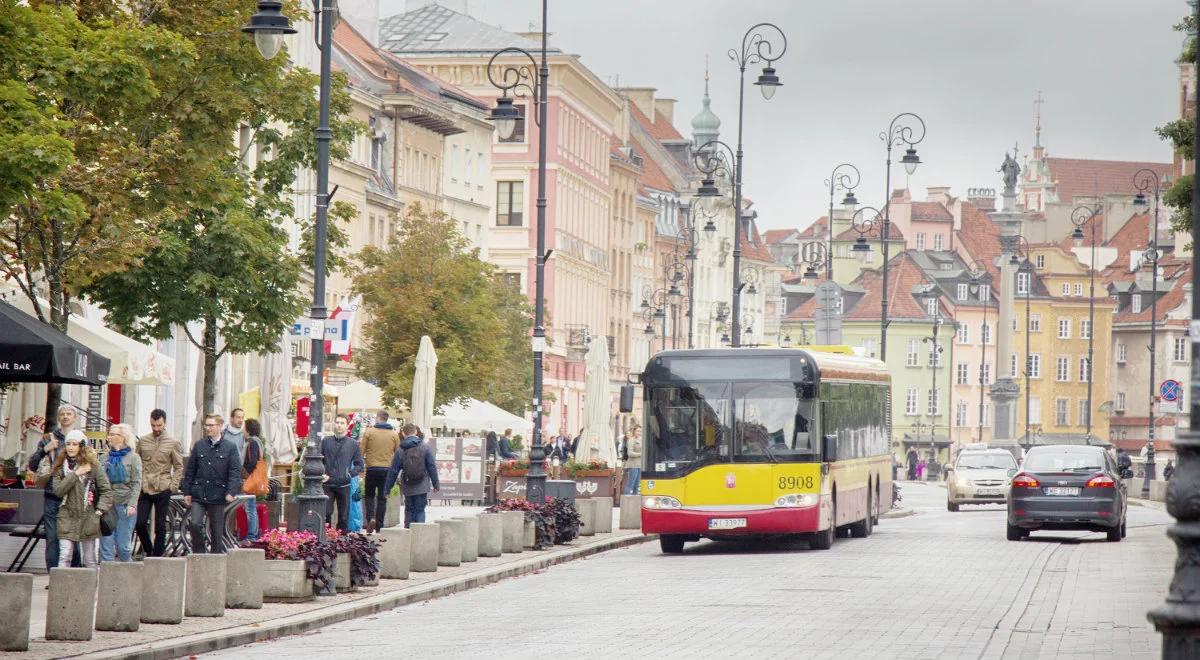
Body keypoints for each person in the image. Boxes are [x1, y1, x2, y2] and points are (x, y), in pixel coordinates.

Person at [45, 430, 112, 568]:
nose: (70, 447)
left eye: (74, 444)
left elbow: (106, 490)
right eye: (68, 444)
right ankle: (62, 587)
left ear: (81, 446)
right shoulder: (59, 466)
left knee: (90, 559)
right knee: (65, 555)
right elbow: (58, 491)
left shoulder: (93, 465)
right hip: (66, 515)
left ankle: (94, 588)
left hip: (88, 516)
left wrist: (100, 509)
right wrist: (76, 473)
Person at [27, 404, 78, 569]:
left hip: (73, 495)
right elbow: (33, 465)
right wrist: (45, 450)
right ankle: (54, 575)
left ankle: (75, 574)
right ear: (58, 417)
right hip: (52, 495)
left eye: (69, 414)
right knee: (52, 537)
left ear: (74, 418)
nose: (65, 416)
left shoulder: (80, 438)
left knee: (74, 536)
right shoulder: (47, 438)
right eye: (62, 414)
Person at [182, 414, 242, 553]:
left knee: (216, 531)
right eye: (206, 425)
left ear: (220, 426)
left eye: (211, 425)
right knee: (195, 523)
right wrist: (187, 491)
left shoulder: (230, 447)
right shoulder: (199, 445)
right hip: (199, 493)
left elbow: (234, 471)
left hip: (218, 494)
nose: (207, 428)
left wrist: (231, 491)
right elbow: (190, 470)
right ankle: (199, 553)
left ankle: (215, 558)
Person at [136, 409, 183, 558]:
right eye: (153, 425)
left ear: (165, 423)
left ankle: (157, 556)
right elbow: (137, 462)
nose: (156, 428)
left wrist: (173, 486)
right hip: (145, 486)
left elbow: (179, 466)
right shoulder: (143, 441)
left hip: (163, 486)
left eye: (159, 425)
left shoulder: (173, 442)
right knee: (140, 523)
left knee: (161, 525)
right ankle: (149, 550)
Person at [99, 424, 142, 562]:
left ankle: (128, 578)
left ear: (122, 437)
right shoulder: (104, 458)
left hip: (125, 505)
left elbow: (136, 483)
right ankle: (107, 580)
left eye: (112, 434)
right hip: (107, 506)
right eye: (109, 434)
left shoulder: (133, 457)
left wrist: (132, 504)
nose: (109, 437)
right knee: (106, 546)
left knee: (123, 547)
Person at [384, 424, 439, 528]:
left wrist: (387, 488)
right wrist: (436, 484)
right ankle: (419, 535)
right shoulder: (425, 447)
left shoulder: (401, 449)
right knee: (420, 510)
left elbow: (393, 471)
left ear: (403, 434)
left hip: (408, 484)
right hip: (422, 484)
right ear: (416, 432)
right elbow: (432, 466)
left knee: (409, 509)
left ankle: (408, 533)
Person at [321, 414, 364, 532]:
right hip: (327, 483)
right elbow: (319, 460)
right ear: (334, 424)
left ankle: (342, 541)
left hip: (344, 484)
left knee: (343, 517)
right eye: (337, 422)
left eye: (342, 423)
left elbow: (359, 464)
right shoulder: (325, 441)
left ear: (347, 426)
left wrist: (350, 474)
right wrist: (321, 473)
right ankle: (325, 539)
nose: (339, 425)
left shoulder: (353, 444)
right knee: (326, 514)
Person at [361, 411, 400, 533]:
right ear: (387, 419)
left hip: (372, 468)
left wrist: (362, 467)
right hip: (387, 470)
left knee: (369, 495)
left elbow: (361, 451)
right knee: (382, 497)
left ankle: (370, 518)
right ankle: (379, 525)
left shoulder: (369, 432)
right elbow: (398, 453)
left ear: (378, 418)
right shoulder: (394, 434)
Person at [240, 418, 266, 541]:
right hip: (255, 477)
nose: (243, 430)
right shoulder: (258, 442)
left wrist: (246, 474)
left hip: (251, 478)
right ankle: (253, 534)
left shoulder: (252, 442)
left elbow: (252, 461)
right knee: (251, 506)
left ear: (248, 429)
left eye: (244, 428)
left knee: (250, 507)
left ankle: (252, 535)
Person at [622, 426, 643, 495]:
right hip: (633, 464)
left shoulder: (641, 439)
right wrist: (640, 454)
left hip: (639, 465)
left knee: (636, 485)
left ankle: (634, 502)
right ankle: (626, 500)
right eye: (637, 431)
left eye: (640, 431)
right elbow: (630, 453)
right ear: (634, 431)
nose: (639, 433)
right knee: (630, 484)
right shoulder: (631, 440)